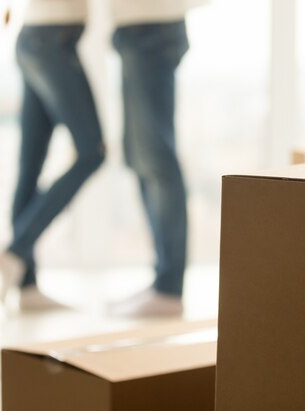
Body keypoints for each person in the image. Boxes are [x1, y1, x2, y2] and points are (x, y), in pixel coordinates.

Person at [0, 0, 105, 310]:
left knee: (30, 165)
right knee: (92, 153)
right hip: (52, 39)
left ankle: (26, 286)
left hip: (35, 37)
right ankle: (16, 251)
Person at [106, 0, 206, 317]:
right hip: (139, 24)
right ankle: (162, 281)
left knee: (157, 159)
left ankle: (168, 288)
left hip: (151, 24)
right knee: (141, 158)